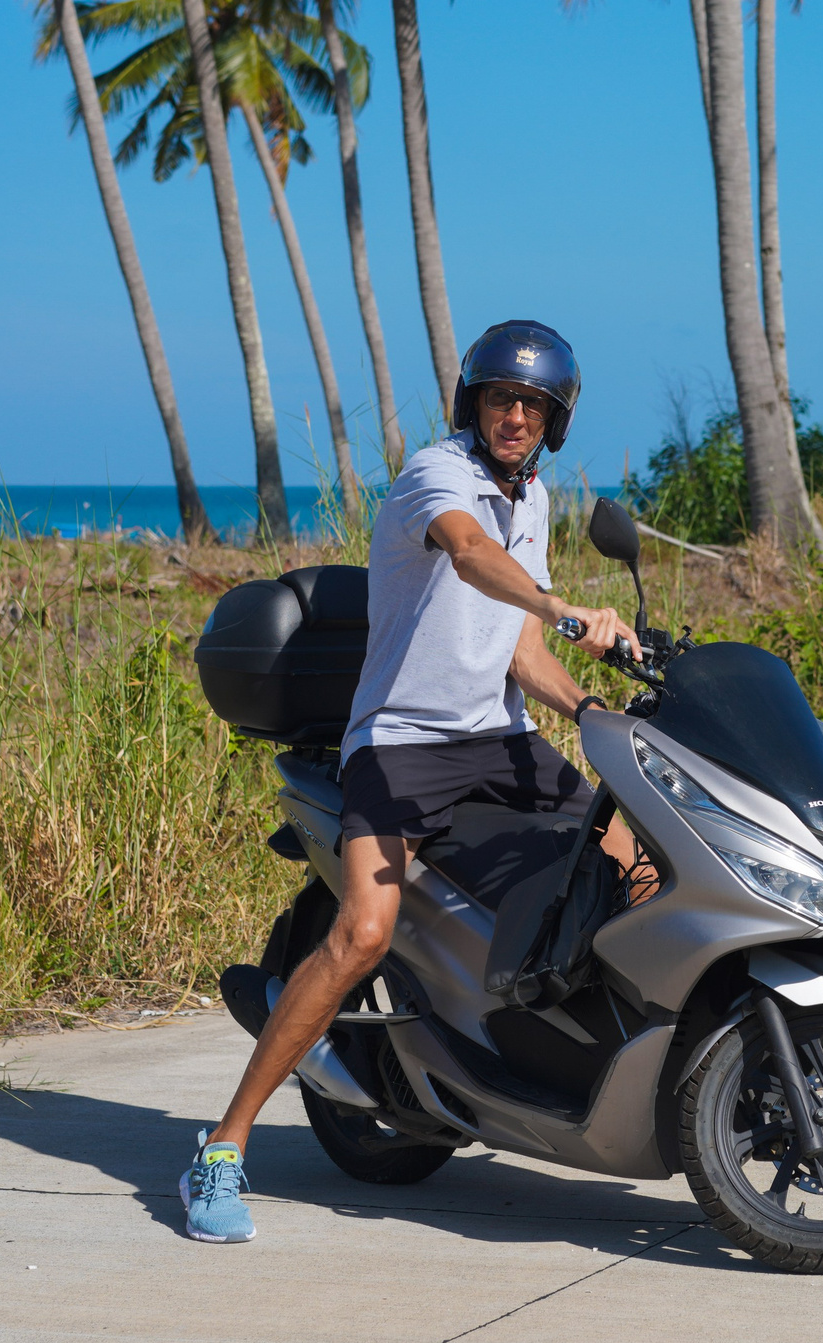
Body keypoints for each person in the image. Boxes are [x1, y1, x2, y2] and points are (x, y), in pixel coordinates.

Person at [180, 319, 643, 1243]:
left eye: (532, 405)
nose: (513, 416)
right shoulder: (436, 474)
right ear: (473, 403)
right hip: (397, 747)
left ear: (554, 420)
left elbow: (516, 657)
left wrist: (596, 710)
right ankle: (222, 1150)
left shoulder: (537, 499)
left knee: (634, 861)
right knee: (361, 933)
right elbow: (472, 556)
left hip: (497, 743)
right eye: (499, 399)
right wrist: (563, 609)